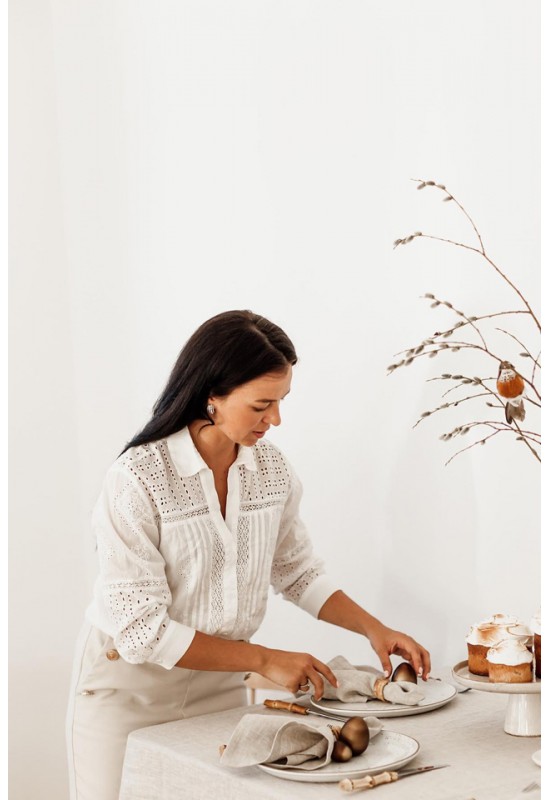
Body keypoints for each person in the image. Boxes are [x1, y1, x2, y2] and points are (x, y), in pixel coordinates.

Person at [66, 309, 431, 800]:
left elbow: (296, 571)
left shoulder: (271, 470)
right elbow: (141, 630)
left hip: (217, 689)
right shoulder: (137, 478)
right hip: (130, 692)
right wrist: (264, 658)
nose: (275, 420)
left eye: (280, 402)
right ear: (211, 397)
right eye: (262, 404)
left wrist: (376, 629)